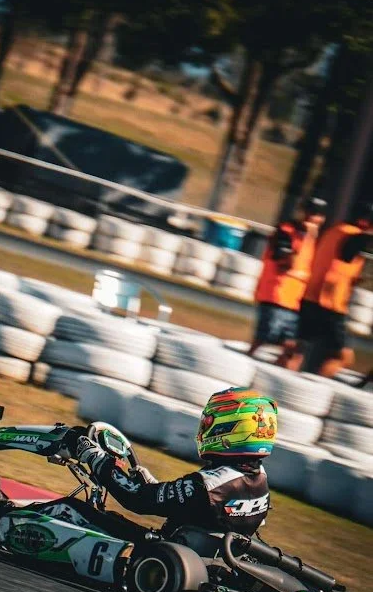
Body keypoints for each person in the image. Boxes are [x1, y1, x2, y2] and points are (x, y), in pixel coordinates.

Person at [62, 388, 277, 548]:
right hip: (210, 559)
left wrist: (95, 456)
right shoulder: (259, 480)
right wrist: (151, 483)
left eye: (209, 422)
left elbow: (137, 499)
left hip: (164, 553)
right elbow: (187, 506)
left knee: (68, 511)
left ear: (229, 430)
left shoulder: (209, 484)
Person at [284, 200, 373, 378]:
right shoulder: (355, 236)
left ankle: (279, 383)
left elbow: (337, 263)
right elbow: (346, 257)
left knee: (297, 348)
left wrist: (355, 279)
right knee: (342, 356)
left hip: (310, 296)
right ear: (365, 221)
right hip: (331, 304)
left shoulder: (334, 230)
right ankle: (315, 389)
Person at [251, 197, 327, 366]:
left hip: (294, 300)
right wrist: (305, 237)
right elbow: (286, 262)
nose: (312, 218)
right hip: (276, 295)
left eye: (317, 215)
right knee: (263, 340)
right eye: (310, 212)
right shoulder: (286, 230)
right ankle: (244, 364)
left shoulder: (314, 239)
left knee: (292, 347)